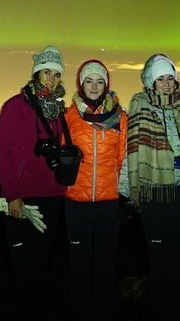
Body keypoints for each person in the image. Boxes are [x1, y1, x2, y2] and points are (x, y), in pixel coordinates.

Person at [0, 44, 69, 314]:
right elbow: (2, 152)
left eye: (56, 74)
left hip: (53, 196)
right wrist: (12, 195)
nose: (51, 78)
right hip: (23, 198)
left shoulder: (60, 110)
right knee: (23, 266)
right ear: (36, 74)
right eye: (46, 72)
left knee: (44, 264)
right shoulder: (15, 106)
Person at [121, 52, 180, 315]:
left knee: (179, 255)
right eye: (160, 78)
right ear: (150, 82)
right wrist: (126, 190)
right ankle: (161, 309)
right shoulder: (140, 107)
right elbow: (130, 151)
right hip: (154, 193)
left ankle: (177, 308)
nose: (166, 83)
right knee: (160, 257)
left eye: (170, 78)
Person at [63, 58, 128, 321]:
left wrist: (124, 197)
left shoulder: (120, 118)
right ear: (80, 84)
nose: (94, 86)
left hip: (108, 201)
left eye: (99, 81)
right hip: (75, 201)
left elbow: (124, 158)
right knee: (79, 266)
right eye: (89, 80)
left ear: (106, 85)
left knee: (105, 265)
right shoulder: (68, 117)